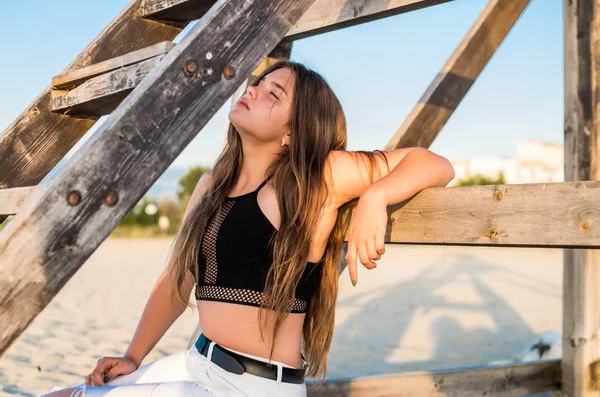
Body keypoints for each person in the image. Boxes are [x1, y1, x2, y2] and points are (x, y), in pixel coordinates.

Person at [41, 60, 455, 397]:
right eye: (257, 84)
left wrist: (375, 196)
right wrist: (134, 356)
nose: (252, 90)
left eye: (273, 93)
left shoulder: (317, 178)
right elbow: (177, 279)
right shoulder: (211, 184)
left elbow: (433, 163)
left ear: (294, 133)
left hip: (252, 388)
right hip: (197, 364)